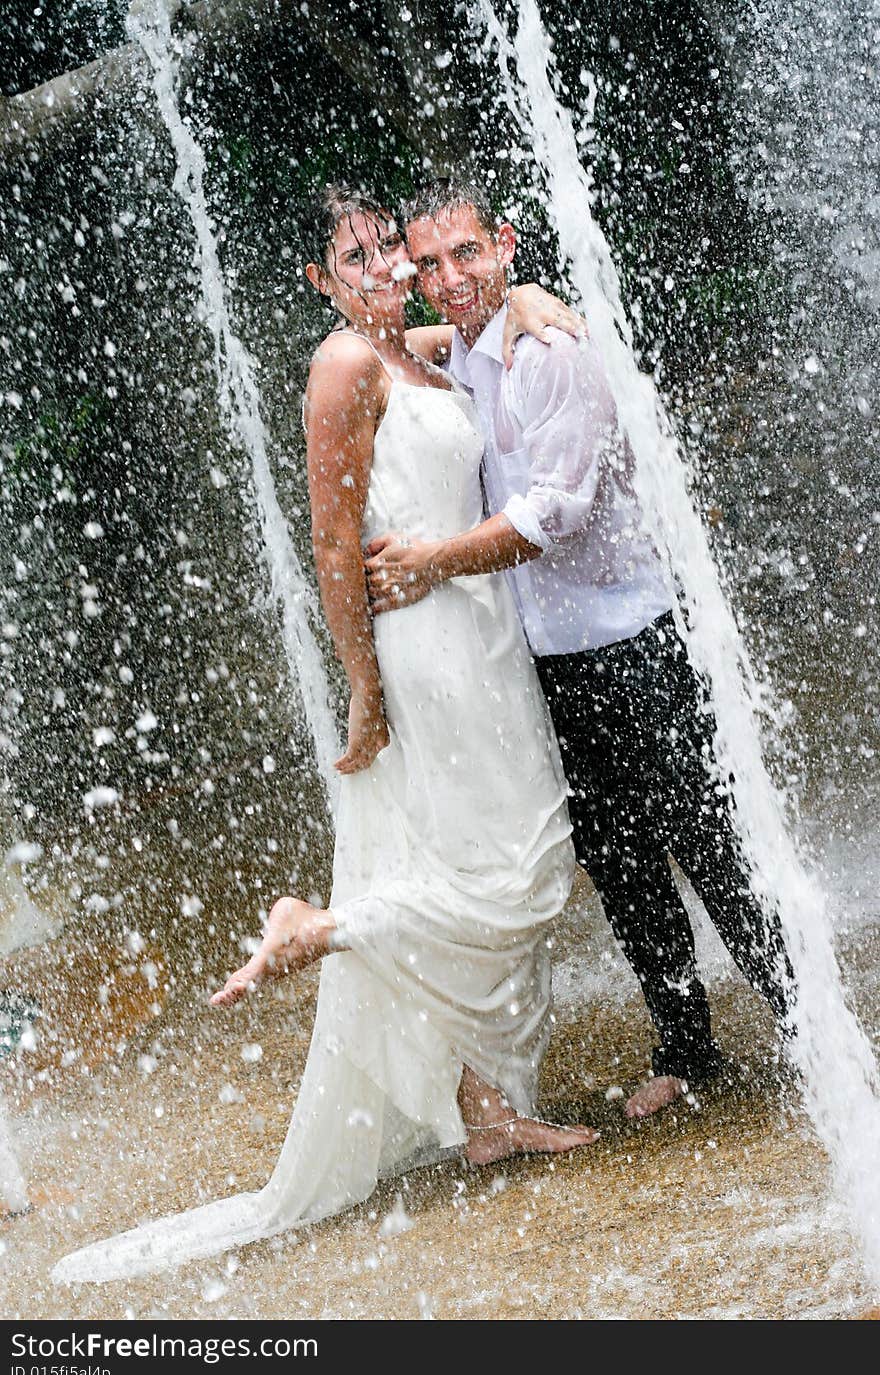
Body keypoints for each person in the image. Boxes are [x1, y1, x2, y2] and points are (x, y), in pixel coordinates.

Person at [51, 188, 597, 1285]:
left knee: (491, 855)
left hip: (486, 632)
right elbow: (333, 542)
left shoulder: (421, 351)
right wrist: (361, 685)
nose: (386, 263)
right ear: (321, 279)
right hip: (427, 654)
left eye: (389, 243)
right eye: (356, 255)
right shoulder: (345, 367)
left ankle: (483, 1109)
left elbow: (479, 320)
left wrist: (529, 290)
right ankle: (321, 921)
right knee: (522, 874)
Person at [366, 179, 795, 1119]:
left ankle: (811, 1034)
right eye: (429, 263)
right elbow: (404, 346)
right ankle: (687, 1047)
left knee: (708, 844)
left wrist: (436, 559)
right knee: (623, 858)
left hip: (634, 645)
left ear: (506, 244)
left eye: (467, 254)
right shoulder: (477, 346)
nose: (450, 277)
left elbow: (552, 514)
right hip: (553, 667)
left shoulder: (548, 350)